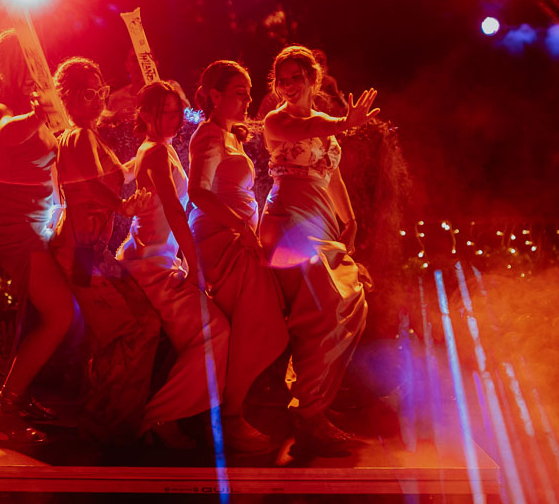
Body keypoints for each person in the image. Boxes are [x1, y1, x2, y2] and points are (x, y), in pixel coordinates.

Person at [258, 45, 378, 453]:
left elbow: (333, 173)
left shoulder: (324, 124)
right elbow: (304, 133)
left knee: (348, 307)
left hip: (321, 218)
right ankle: (309, 412)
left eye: (296, 77)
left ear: (313, 79)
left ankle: (314, 406)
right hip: (289, 219)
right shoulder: (278, 120)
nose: (289, 85)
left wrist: (350, 219)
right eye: (283, 79)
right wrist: (347, 122)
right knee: (327, 305)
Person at [51, 57, 162, 443]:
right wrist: (122, 206)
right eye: (87, 94)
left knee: (122, 330)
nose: (96, 100)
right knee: (136, 327)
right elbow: (87, 182)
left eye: (99, 91)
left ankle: (108, 420)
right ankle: (109, 423)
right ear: (68, 98)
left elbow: (111, 174)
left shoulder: (87, 137)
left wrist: (149, 153)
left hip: (88, 250)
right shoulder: (79, 136)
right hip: (83, 251)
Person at [0, 29, 75, 445]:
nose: (33, 70)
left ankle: (20, 395)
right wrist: (39, 114)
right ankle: (3, 410)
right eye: (25, 62)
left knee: (37, 316)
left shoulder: (36, 108)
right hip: (10, 225)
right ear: (6, 64)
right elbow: (6, 133)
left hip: (35, 223)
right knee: (60, 314)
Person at [118, 81, 231, 449]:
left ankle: (167, 414)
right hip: (151, 267)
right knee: (215, 332)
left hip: (159, 260)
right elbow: (173, 210)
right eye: (167, 110)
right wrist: (193, 265)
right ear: (147, 113)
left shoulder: (156, 149)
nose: (176, 118)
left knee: (212, 332)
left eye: (178, 111)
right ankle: (159, 416)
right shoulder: (153, 153)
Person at [187, 60, 289, 453]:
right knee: (258, 326)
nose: (248, 100)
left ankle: (230, 411)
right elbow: (198, 192)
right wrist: (240, 226)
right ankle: (229, 416)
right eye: (240, 93)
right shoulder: (208, 137)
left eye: (248, 92)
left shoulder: (231, 136)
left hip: (238, 239)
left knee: (260, 328)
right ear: (215, 95)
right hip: (221, 241)